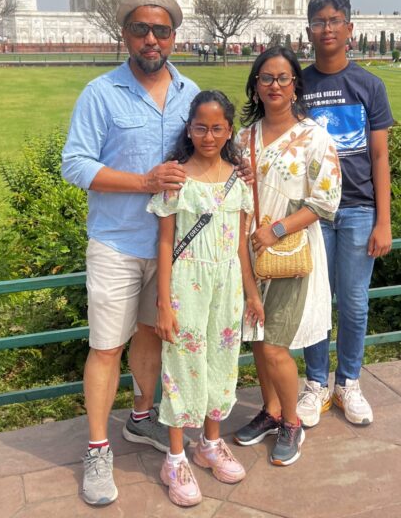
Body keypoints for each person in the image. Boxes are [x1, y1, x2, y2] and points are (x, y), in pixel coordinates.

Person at [61, 0, 200, 507]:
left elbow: (207, 152)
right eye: (141, 28)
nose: (151, 39)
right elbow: (75, 164)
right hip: (118, 242)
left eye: (161, 30)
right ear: (124, 33)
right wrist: (144, 181)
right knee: (105, 347)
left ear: (174, 36)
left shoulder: (189, 93)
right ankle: (98, 448)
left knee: (150, 337)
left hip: (172, 245)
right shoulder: (101, 93)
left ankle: (141, 417)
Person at [148, 90, 263, 507]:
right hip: (186, 285)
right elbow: (165, 243)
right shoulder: (176, 179)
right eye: (201, 127)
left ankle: (210, 444)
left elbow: (241, 245)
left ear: (229, 130)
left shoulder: (240, 180)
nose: (208, 136)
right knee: (182, 364)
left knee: (222, 361)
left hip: (227, 284)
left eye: (217, 128)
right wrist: (163, 303)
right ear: (189, 129)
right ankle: (175, 457)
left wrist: (251, 293)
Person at [233, 47, 341, 466]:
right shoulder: (244, 138)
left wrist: (276, 230)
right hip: (249, 252)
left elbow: (326, 201)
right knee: (258, 340)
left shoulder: (314, 137)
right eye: (266, 78)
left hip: (291, 251)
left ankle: (292, 423)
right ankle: (271, 410)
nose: (274, 85)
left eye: (282, 78)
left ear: (296, 84)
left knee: (276, 344)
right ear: (255, 85)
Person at [297, 0, 393, 429]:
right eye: (319, 22)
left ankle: (348, 382)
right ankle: (316, 383)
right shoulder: (299, 85)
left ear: (350, 29)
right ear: (309, 31)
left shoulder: (368, 86)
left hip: (357, 209)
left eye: (335, 21)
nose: (327, 29)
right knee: (315, 302)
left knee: (353, 304)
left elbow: (379, 157)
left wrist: (383, 221)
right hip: (313, 212)